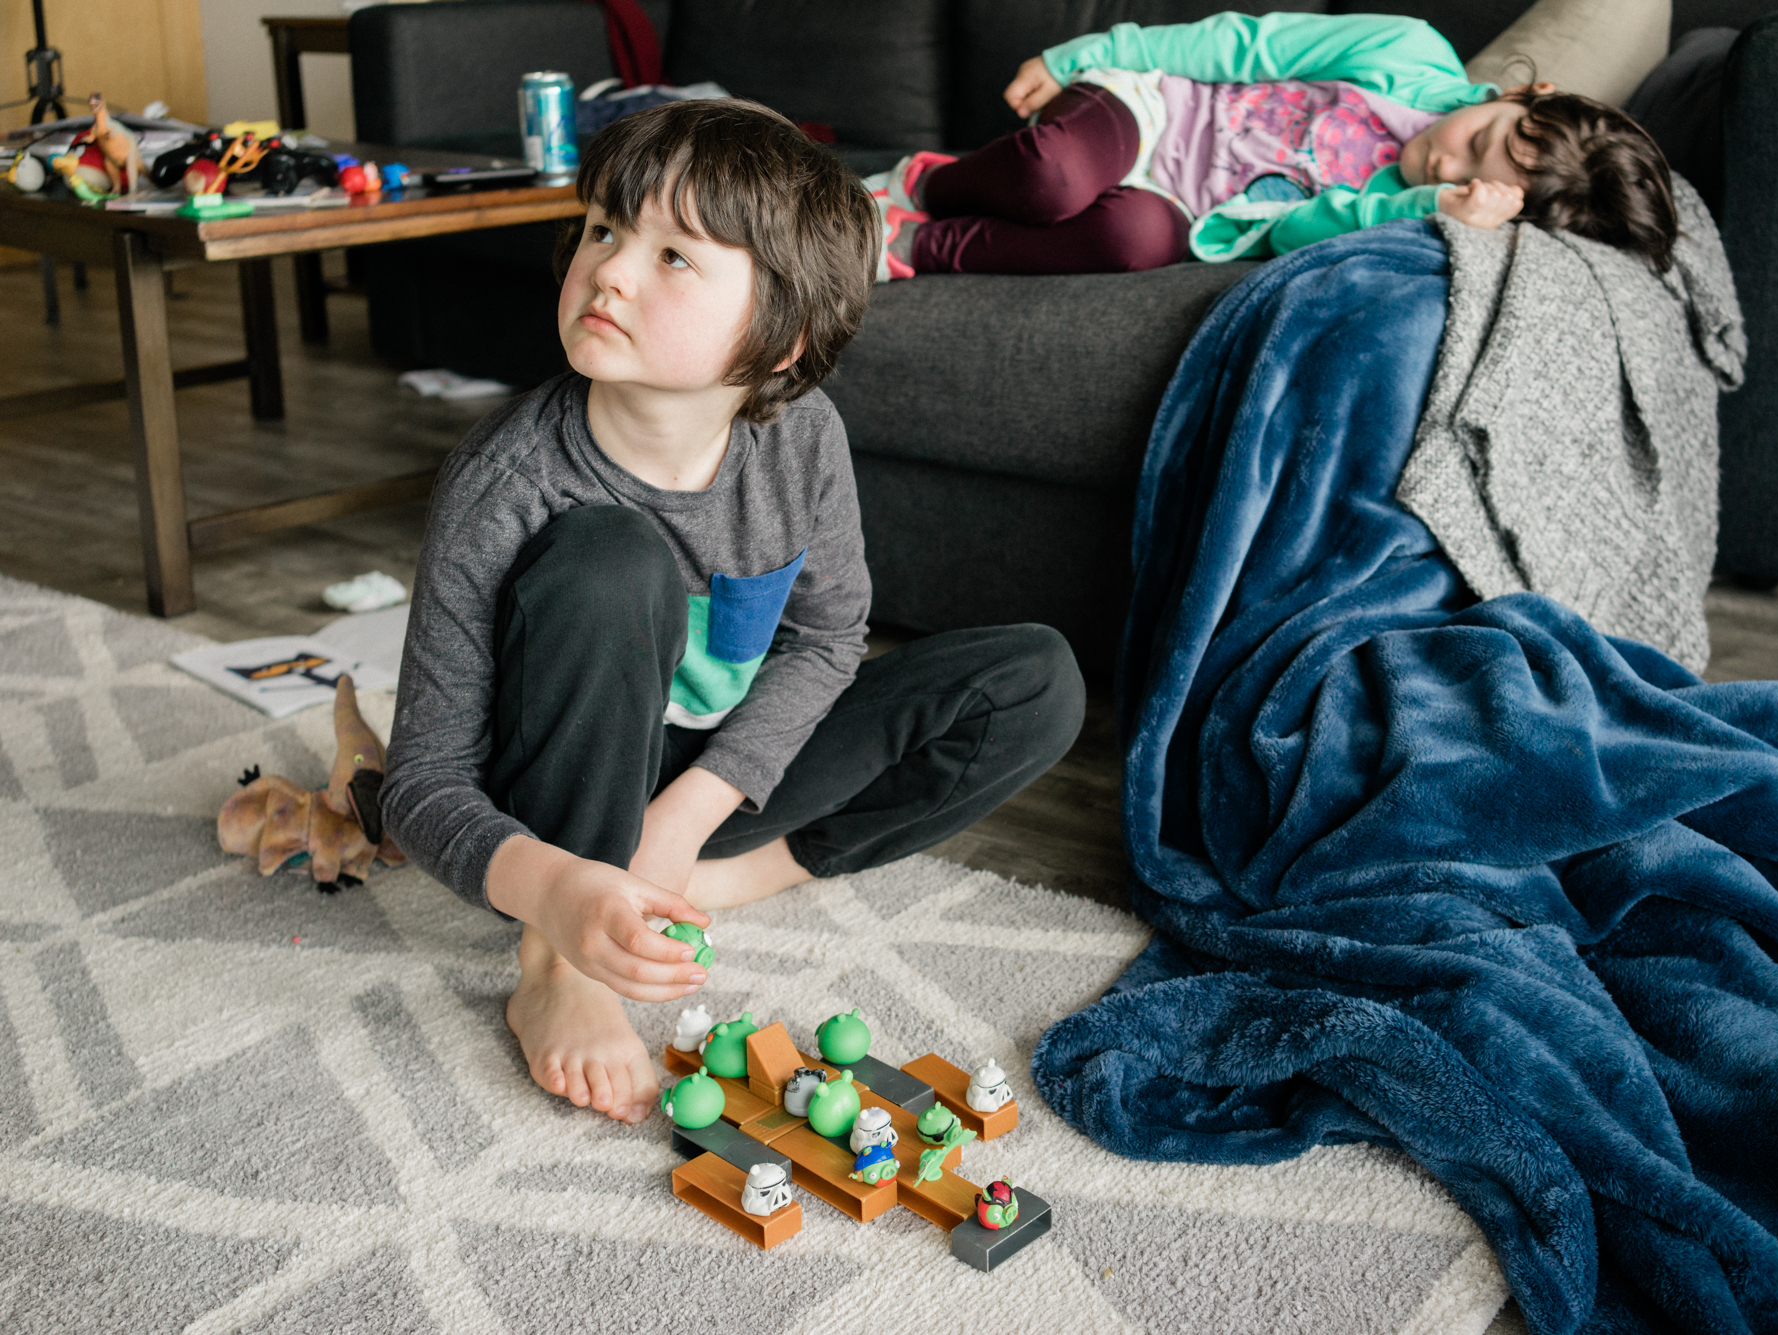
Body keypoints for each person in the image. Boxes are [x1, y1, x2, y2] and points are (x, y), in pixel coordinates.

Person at [381, 99, 1087, 1125]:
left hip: (710, 783)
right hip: (559, 785)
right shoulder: (506, 480)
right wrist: (556, 895)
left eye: (674, 257)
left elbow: (827, 636)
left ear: (780, 342)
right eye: (605, 229)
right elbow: (425, 783)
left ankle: (707, 882)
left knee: (1036, 681)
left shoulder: (801, 439)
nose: (610, 269)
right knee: (609, 557)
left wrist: (688, 817)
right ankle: (562, 965)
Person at [868, 11, 1678, 280]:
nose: (1445, 161)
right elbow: (1245, 46)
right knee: (1051, 176)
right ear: (1519, 97)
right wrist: (1082, 57)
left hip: (1185, 204)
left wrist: (1430, 206)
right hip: (1155, 111)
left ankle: (920, 240)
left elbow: (1292, 230)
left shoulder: (1430, 209)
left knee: (1130, 240)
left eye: (1470, 177)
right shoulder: (1408, 53)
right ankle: (931, 183)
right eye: (1479, 139)